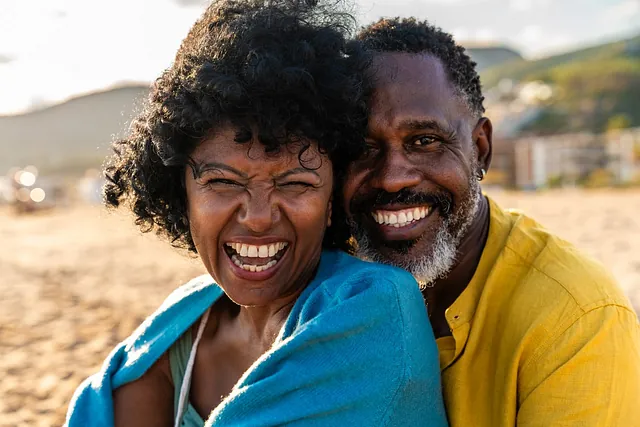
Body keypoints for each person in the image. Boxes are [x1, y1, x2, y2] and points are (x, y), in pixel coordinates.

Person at [64, 2, 449, 427]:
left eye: (295, 184)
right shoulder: (183, 322)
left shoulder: (372, 307)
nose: (259, 217)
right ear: (181, 194)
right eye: (224, 183)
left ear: (332, 201)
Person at [341, 17, 640, 426]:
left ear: (480, 149)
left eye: (425, 141)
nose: (393, 177)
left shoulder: (575, 315)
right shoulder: (323, 278)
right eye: (362, 147)